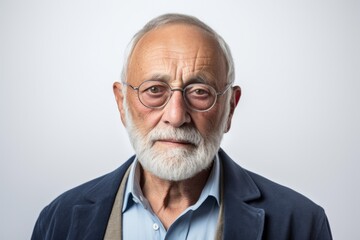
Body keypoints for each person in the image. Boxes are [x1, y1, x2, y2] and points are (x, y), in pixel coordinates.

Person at [31, 13, 332, 240]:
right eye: (154, 90)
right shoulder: (59, 220)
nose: (176, 116)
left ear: (230, 108)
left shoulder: (301, 224)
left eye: (200, 92)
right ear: (122, 103)